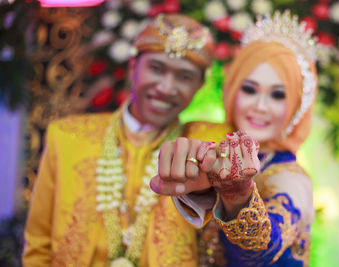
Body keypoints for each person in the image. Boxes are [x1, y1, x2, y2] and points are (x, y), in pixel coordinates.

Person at [23, 13, 218, 267]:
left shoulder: (206, 141)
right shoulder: (67, 136)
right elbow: (38, 245)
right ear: (133, 67)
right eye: (156, 69)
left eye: (184, 77)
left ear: (199, 86)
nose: (166, 88)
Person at [150, 10, 318, 266]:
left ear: (296, 106)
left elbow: (263, 246)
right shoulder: (214, 148)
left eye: (277, 95)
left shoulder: (290, 178)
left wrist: (238, 197)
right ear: (232, 90)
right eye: (250, 89)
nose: (260, 106)